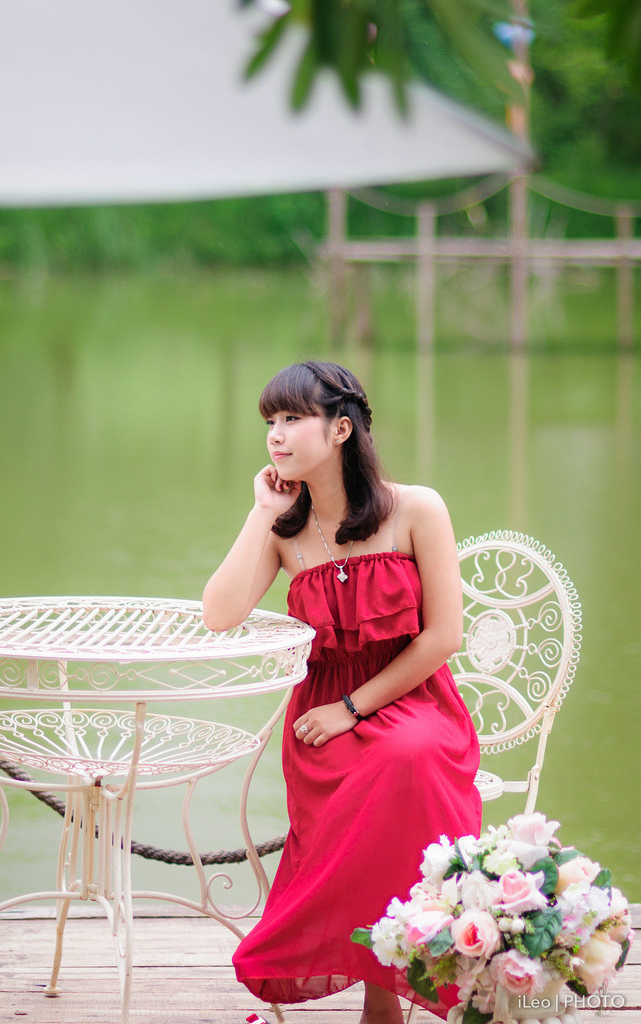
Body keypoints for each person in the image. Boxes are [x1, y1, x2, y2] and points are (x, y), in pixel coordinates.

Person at [202, 360, 481, 1024]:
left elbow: (444, 637)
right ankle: (382, 992)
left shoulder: (416, 508)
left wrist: (354, 708)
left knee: (406, 758)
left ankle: (405, 984)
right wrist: (262, 513)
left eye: (292, 419)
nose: (275, 434)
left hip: (411, 699)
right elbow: (218, 614)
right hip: (322, 719)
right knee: (380, 769)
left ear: (340, 430)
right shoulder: (287, 531)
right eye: (270, 421)